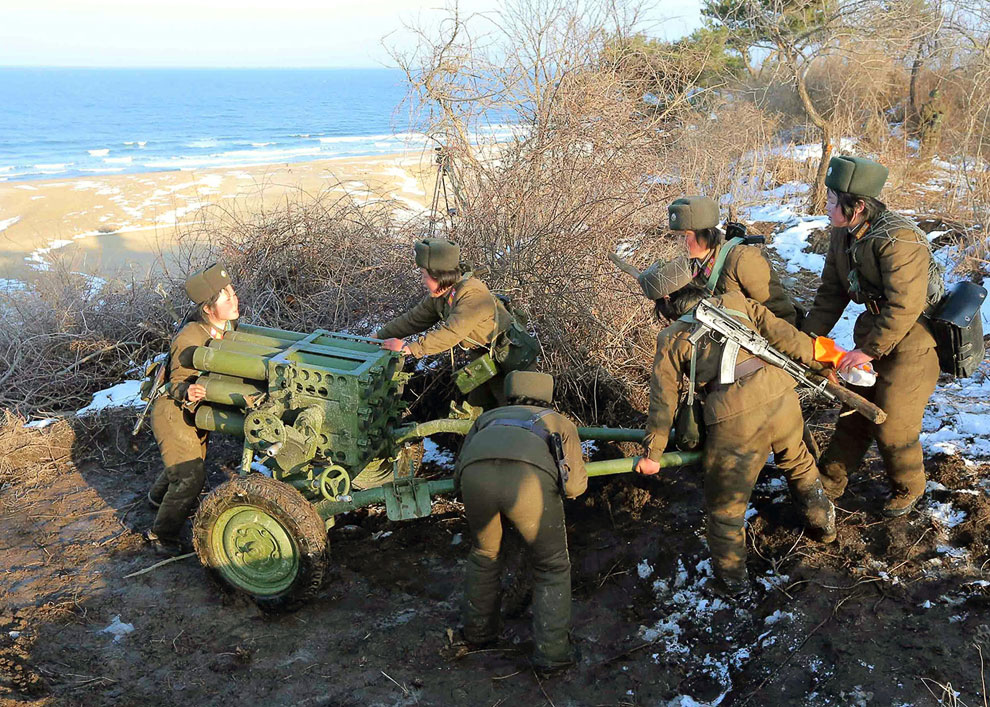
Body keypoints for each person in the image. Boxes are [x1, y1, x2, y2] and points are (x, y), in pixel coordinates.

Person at [635, 262, 836, 597]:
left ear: (666, 299)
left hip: (735, 418)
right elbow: (791, 338)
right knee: (798, 462)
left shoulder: (671, 338)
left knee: (725, 509)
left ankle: (734, 585)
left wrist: (652, 454)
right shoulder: (737, 301)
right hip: (781, 395)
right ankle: (824, 526)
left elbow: (663, 400)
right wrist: (827, 364)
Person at [800, 155, 941, 517]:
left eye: (833, 200)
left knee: (894, 424)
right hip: (873, 331)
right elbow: (831, 292)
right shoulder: (842, 234)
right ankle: (830, 480)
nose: (827, 206)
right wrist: (803, 339)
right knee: (854, 412)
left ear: (858, 205)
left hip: (913, 341)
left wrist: (866, 351)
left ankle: (909, 486)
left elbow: (905, 307)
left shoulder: (900, 239)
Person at [454, 371, 587, 672]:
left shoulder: (487, 419)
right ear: (547, 395)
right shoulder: (560, 423)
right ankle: (553, 655)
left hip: (475, 478)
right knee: (552, 565)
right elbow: (577, 487)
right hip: (528, 486)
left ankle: (477, 634)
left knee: (484, 554)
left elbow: (457, 472)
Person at [375, 238, 537, 409]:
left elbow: (451, 333)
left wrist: (408, 349)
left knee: (514, 413)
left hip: (511, 359)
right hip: (485, 359)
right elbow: (413, 320)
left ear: (438, 275)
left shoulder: (472, 294)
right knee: (477, 410)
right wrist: (378, 336)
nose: (422, 280)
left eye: (424, 275)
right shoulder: (441, 294)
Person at [144, 263, 239, 555]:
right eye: (226, 298)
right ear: (209, 309)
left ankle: (157, 498)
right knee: (191, 476)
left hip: (194, 412)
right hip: (172, 411)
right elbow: (175, 384)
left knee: (189, 462)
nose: (234, 300)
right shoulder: (189, 337)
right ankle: (161, 536)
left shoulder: (228, 326)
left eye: (233, 293)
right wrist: (189, 390)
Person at [638, 195, 798, 325]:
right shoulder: (692, 263)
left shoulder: (743, 259)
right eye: (677, 237)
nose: (680, 244)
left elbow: (781, 312)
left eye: (685, 236)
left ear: (706, 233)